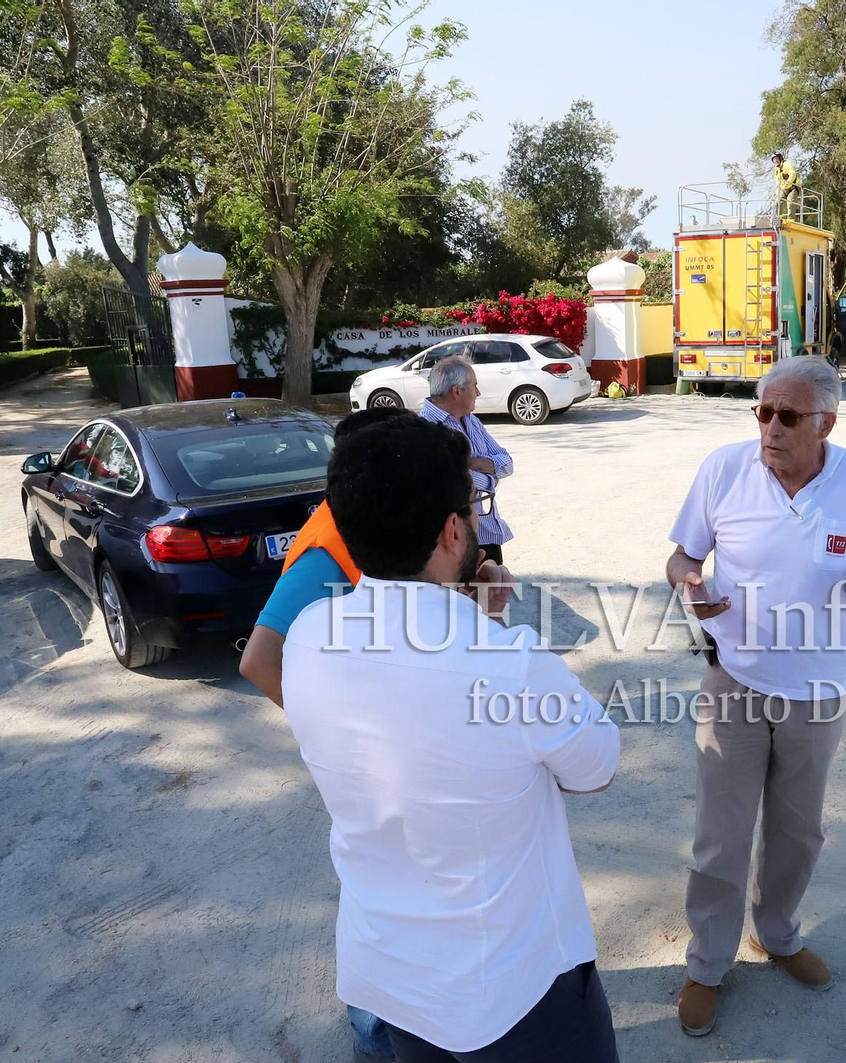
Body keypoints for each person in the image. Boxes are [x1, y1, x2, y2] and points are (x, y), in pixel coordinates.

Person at [280, 416, 621, 1063]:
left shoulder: (307, 635)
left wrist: (466, 616)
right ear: (453, 530)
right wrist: (481, 624)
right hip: (513, 991)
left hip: (393, 975)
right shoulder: (510, 660)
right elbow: (594, 766)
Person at [665, 356, 846, 1037]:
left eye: (787, 415)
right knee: (719, 837)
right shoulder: (725, 468)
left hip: (817, 691)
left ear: (826, 422)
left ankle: (776, 935)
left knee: (797, 833)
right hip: (735, 683)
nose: (769, 428)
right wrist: (689, 584)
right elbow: (681, 557)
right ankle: (708, 961)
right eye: (761, 411)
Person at [420, 355, 515, 564]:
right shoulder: (426, 427)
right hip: (455, 542)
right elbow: (455, 479)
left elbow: (507, 463)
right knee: (466, 596)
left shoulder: (471, 421)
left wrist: (473, 462)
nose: (478, 393)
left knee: (493, 594)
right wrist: (490, 480)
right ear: (457, 391)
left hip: (487, 533)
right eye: (475, 386)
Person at [771, 151, 798, 216]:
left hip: (793, 187)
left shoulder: (786, 164)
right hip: (784, 189)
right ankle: (779, 218)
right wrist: (777, 194)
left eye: (776, 158)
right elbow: (778, 183)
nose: (775, 161)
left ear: (780, 158)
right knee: (777, 202)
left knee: (790, 202)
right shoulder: (776, 170)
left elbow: (793, 174)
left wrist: (786, 184)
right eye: (774, 159)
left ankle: (791, 220)